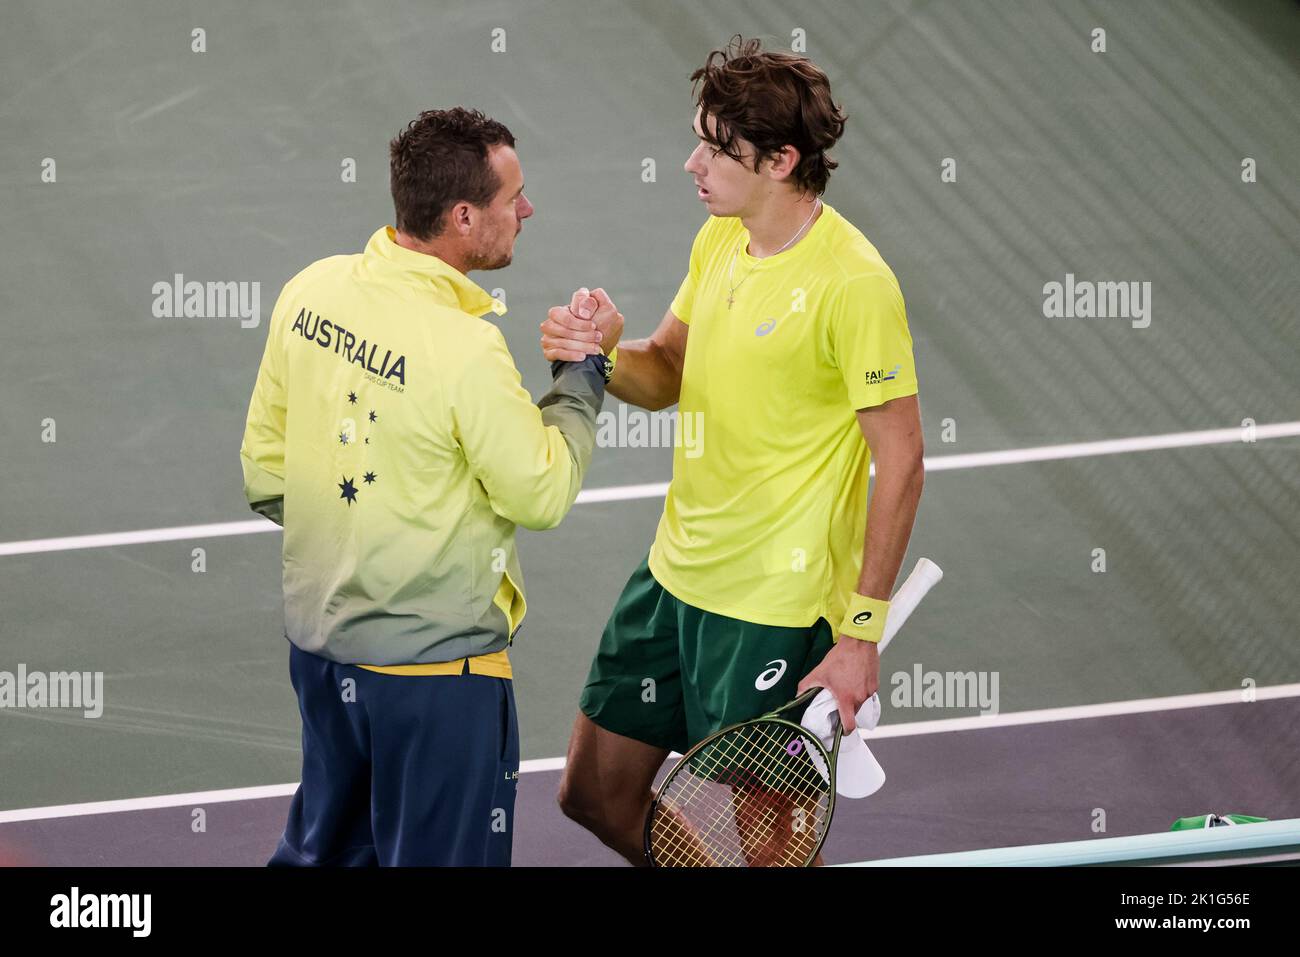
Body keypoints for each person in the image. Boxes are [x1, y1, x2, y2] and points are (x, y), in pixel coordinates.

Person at [543, 37, 926, 865]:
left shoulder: (854, 284)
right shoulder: (722, 237)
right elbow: (670, 368)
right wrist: (599, 354)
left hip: (772, 609)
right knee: (593, 794)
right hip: (676, 574)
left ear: (783, 160)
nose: (693, 163)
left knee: (775, 853)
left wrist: (858, 636)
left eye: (718, 149)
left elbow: (902, 459)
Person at [239, 107, 618, 866]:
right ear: (464, 215)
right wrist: (583, 374)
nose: (527, 210)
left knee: (328, 853)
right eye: (514, 198)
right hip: (439, 682)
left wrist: (362, 549)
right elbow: (539, 494)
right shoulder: (464, 347)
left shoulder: (309, 291)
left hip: (322, 657)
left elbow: (267, 472)